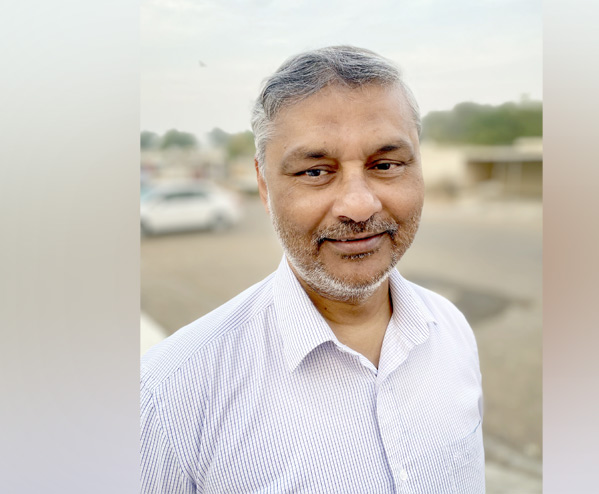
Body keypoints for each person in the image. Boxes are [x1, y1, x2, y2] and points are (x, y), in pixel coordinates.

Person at [140, 45, 485, 493]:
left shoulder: (452, 331)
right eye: (316, 172)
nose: (359, 205)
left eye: (385, 165)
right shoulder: (169, 397)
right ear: (264, 185)